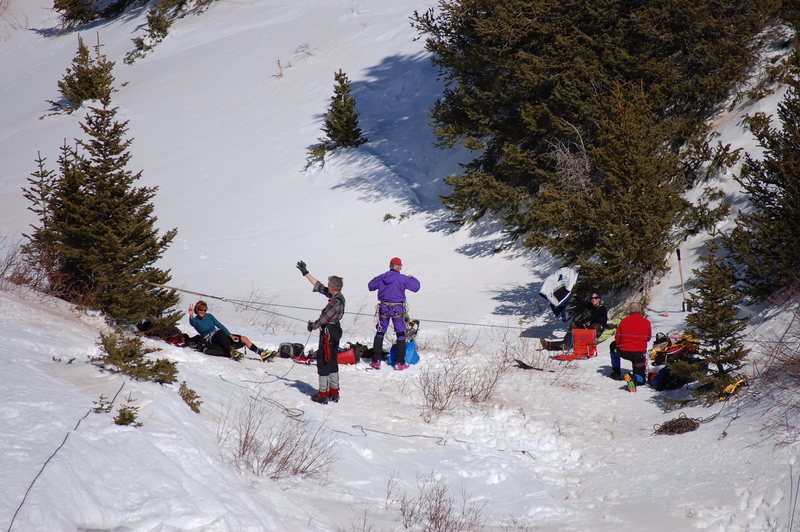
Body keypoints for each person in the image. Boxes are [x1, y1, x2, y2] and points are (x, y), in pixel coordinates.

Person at [296, 260, 345, 404]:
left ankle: (323, 394)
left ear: (333, 288)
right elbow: (320, 287)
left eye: (329, 285)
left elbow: (323, 319)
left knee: (324, 361)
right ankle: (334, 392)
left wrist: (313, 325)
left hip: (328, 335)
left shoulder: (334, 302)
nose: (327, 286)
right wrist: (306, 273)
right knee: (332, 361)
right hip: (335, 332)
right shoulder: (338, 297)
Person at [367, 257, 421, 370]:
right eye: (400, 266)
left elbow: (370, 286)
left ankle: (376, 361)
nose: (401, 268)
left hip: (383, 307)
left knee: (380, 332)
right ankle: (400, 362)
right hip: (398, 308)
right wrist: (412, 278)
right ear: (397, 266)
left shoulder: (382, 277)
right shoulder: (402, 278)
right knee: (401, 334)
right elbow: (416, 287)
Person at [188, 300, 268, 361]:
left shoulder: (209, 316)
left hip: (220, 336)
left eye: (205, 310)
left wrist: (230, 335)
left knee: (244, 338)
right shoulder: (196, 320)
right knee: (220, 332)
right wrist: (191, 315)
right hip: (211, 340)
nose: (203, 312)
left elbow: (220, 325)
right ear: (197, 310)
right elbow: (192, 323)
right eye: (201, 310)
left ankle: (261, 353)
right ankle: (231, 351)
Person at [540, 291, 608, 351]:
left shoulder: (601, 308)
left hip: (597, 331)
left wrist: (580, 323)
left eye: (595, 298)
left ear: (599, 299)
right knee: (574, 325)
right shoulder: (592, 307)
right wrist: (576, 296)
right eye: (592, 298)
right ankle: (560, 343)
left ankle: (561, 344)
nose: (593, 300)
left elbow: (592, 317)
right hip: (591, 328)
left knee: (577, 328)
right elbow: (583, 303)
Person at [609, 301, 652, 389]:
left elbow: (617, 339)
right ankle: (634, 378)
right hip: (638, 354)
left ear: (629, 311)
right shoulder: (646, 322)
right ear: (640, 310)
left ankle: (616, 371)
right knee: (641, 380)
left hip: (623, 352)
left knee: (612, 346)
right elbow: (648, 338)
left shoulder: (623, 321)